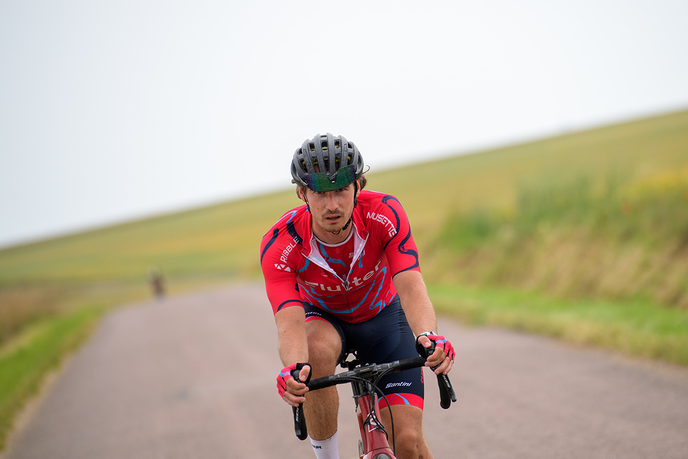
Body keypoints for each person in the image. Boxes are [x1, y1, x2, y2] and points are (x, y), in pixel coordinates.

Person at [260, 133, 455, 459]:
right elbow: (290, 323)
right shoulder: (282, 243)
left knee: (408, 443)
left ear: (359, 186)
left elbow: (409, 286)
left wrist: (428, 335)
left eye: (341, 190)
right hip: (326, 322)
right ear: (302, 193)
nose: (332, 204)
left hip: (385, 319)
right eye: (320, 193)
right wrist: (294, 370)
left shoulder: (385, 213)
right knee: (314, 352)